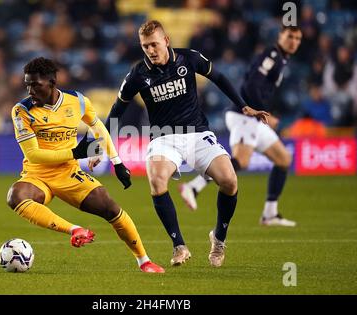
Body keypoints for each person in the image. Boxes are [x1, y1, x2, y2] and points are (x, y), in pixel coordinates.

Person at [103, 20, 268, 267]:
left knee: (229, 181)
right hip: (163, 139)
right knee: (157, 180)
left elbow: (220, 77)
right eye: (145, 46)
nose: (150, 50)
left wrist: (243, 105)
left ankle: (219, 239)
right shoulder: (138, 74)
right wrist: (100, 146)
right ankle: (179, 246)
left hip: (197, 133)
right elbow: (116, 111)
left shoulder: (188, 59)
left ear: (166, 41)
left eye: (154, 45)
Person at [6, 57, 164, 273]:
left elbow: (98, 127)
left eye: (35, 85)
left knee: (111, 209)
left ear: (52, 82)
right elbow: (34, 155)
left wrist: (117, 162)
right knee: (16, 196)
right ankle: (75, 230)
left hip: (68, 173)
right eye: (27, 84)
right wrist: (75, 152)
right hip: (37, 175)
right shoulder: (21, 111)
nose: (30, 90)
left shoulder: (78, 101)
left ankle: (144, 261)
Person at [180, 25, 302, 227]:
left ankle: (270, 214)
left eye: (298, 38)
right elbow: (252, 85)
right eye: (290, 36)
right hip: (244, 115)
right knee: (241, 161)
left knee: (283, 158)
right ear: (280, 35)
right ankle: (193, 186)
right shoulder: (272, 54)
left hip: (251, 118)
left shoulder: (281, 58)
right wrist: (262, 112)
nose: (294, 41)